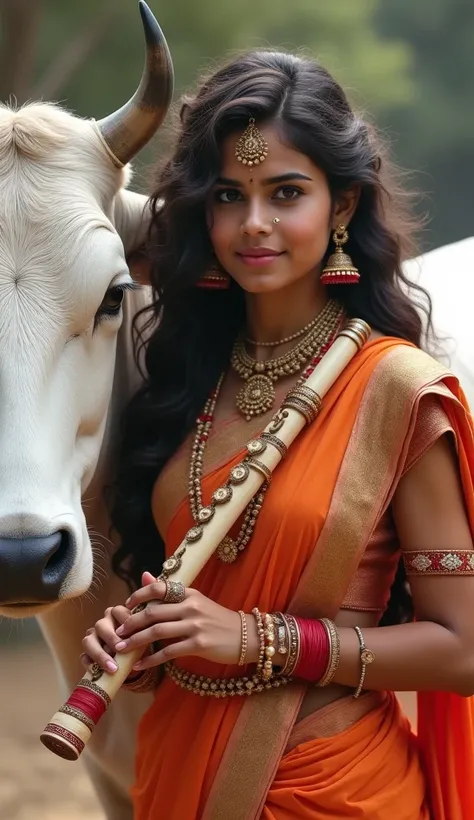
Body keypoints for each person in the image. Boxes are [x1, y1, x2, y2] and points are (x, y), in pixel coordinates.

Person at [80, 50, 474, 819]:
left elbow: (462, 649)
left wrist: (256, 640)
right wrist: (150, 640)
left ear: (344, 206)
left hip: (331, 790)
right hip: (174, 775)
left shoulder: (395, 390)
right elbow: (203, 598)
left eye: (285, 193)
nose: (254, 223)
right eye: (230, 195)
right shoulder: (185, 379)